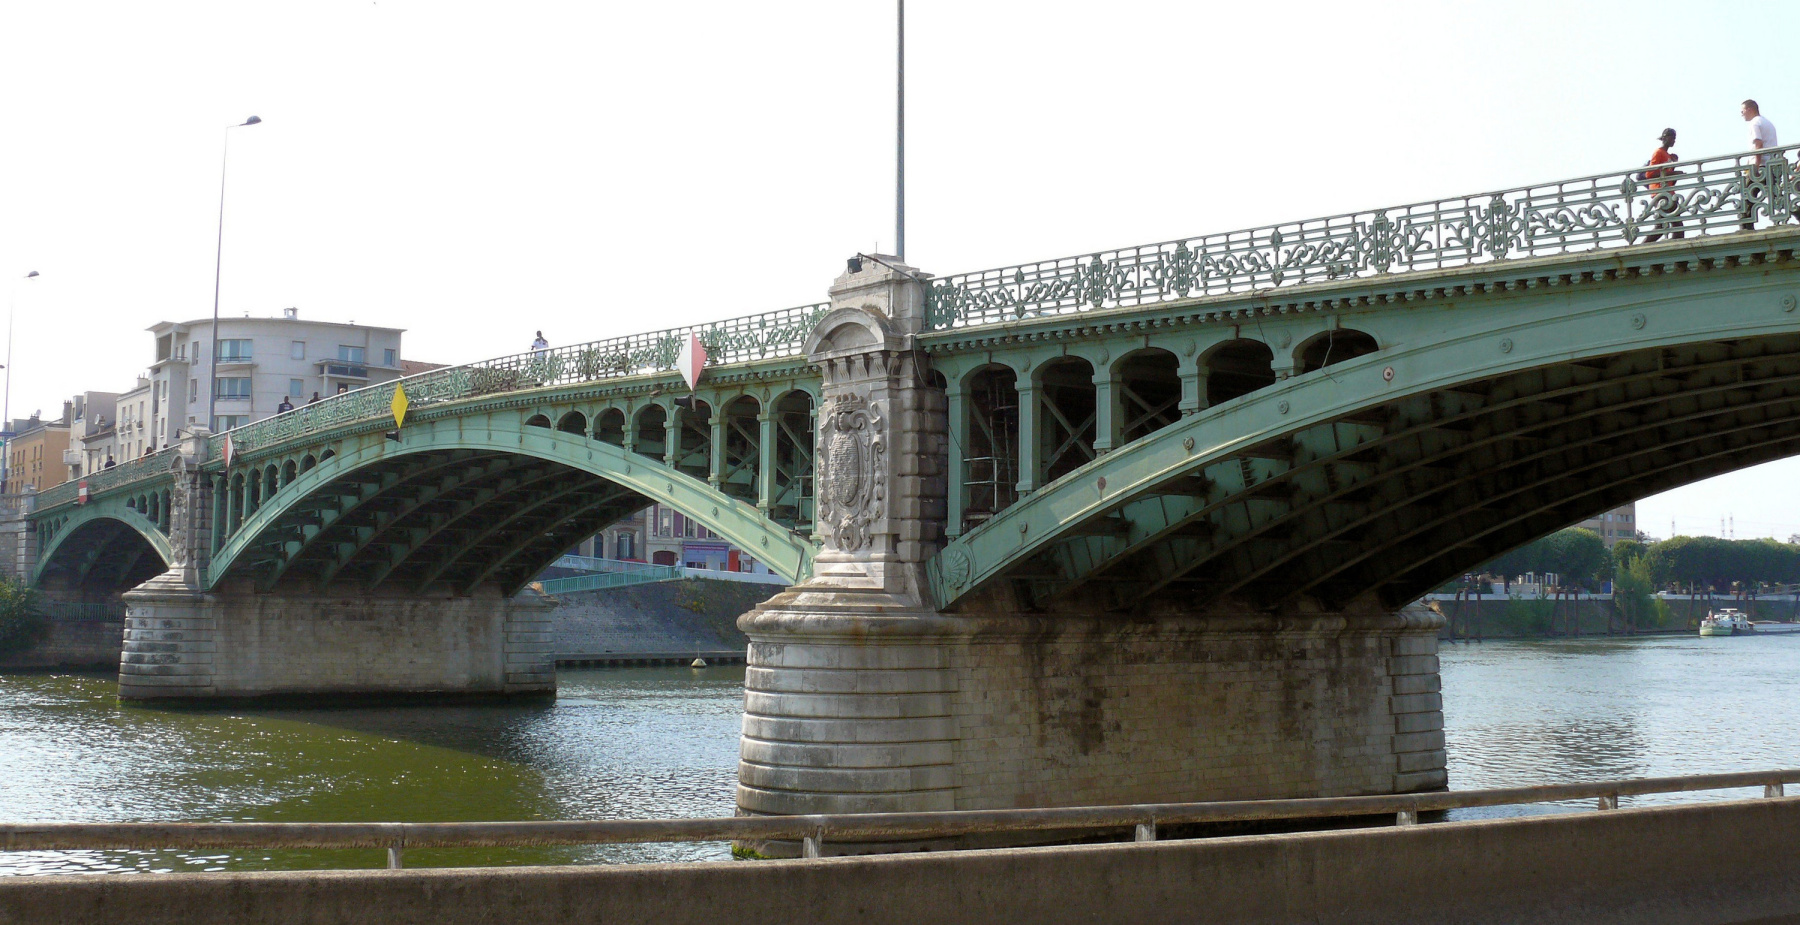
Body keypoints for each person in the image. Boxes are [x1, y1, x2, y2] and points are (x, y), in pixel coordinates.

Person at [1741, 100, 1778, 230]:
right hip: (1772, 166)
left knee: (1746, 198)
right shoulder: (1767, 122)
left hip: (1760, 166)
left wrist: (1755, 167)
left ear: (1750, 109)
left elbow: (1758, 145)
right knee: (1777, 197)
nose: (1741, 114)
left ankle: (1746, 230)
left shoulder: (1754, 123)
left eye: (1742, 111)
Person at [1642, 128, 1684, 243]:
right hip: (1660, 192)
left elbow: (1670, 180)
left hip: (1668, 192)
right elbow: (1650, 174)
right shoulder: (1658, 152)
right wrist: (1673, 173)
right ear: (1665, 137)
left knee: (1674, 227)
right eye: (1672, 137)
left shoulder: (1668, 155)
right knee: (1670, 226)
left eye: (1675, 138)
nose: (1674, 140)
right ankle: (1642, 247)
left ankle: (1644, 247)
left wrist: (1674, 166)